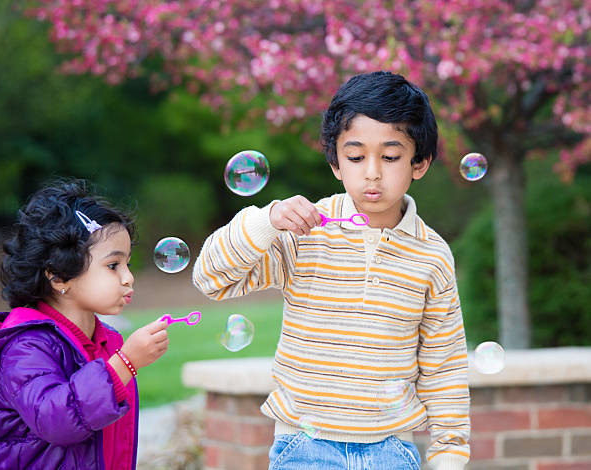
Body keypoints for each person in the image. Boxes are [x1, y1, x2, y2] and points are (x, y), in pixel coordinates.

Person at [193, 71, 470, 470]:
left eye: (390, 157)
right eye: (356, 156)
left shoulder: (432, 255)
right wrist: (266, 220)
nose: (372, 171)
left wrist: (449, 455)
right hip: (304, 448)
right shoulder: (307, 230)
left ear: (420, 162)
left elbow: (444, 365)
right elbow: (210, 279)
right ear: (336, 163)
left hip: (392, 450)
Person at [0, 179, 169, 470]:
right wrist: (126, 363)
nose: (128, 277)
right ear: (59, 277)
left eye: (128, 263)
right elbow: (55, 420)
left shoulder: (106, 342)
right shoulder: (26, 347)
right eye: (113, 265)